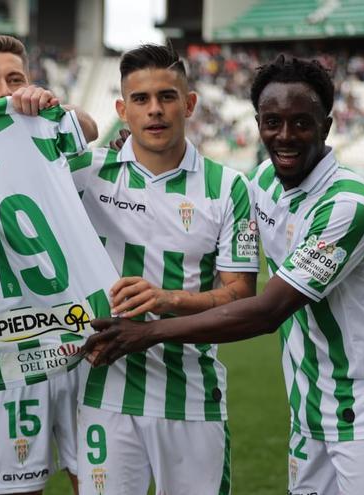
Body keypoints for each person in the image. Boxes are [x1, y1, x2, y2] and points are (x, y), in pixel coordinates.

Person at [86, 55, 364, 495]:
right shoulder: (264, 180)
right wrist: (129, 153)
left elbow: (267, 312)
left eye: (301, 123)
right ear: (259, 123)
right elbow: (200, 201)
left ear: (326, 126)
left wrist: (146, 333)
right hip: (309, 406)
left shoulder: (346, 206)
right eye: (272, 122)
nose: (284, 136)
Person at [64, 43, 258, 495]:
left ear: (189, 104)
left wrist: (169, 299)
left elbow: (241, 295)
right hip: (105, 392)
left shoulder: (228, 188)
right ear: (122, 109)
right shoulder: (85, 174)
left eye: (167, 97)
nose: (155, 110)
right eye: (141, 99)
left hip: (192, 396)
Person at [0, 33, 101, 495]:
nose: (4, 91)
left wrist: (57, 106)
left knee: (98, 482)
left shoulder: (45, 126)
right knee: (16, 488)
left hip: (78, 335)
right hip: (8, 347)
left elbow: (89, 126)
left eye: (15, 79)